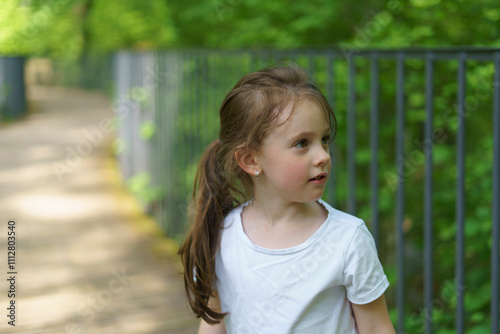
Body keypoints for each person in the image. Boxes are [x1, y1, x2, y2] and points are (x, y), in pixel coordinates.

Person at [179, 63, 395, 333]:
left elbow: (376, 328)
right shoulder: (221, 237)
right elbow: (214, 324)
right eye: (302, 143)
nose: (324, 156)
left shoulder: (348, 239)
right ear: (250, 159)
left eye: (324, 139)